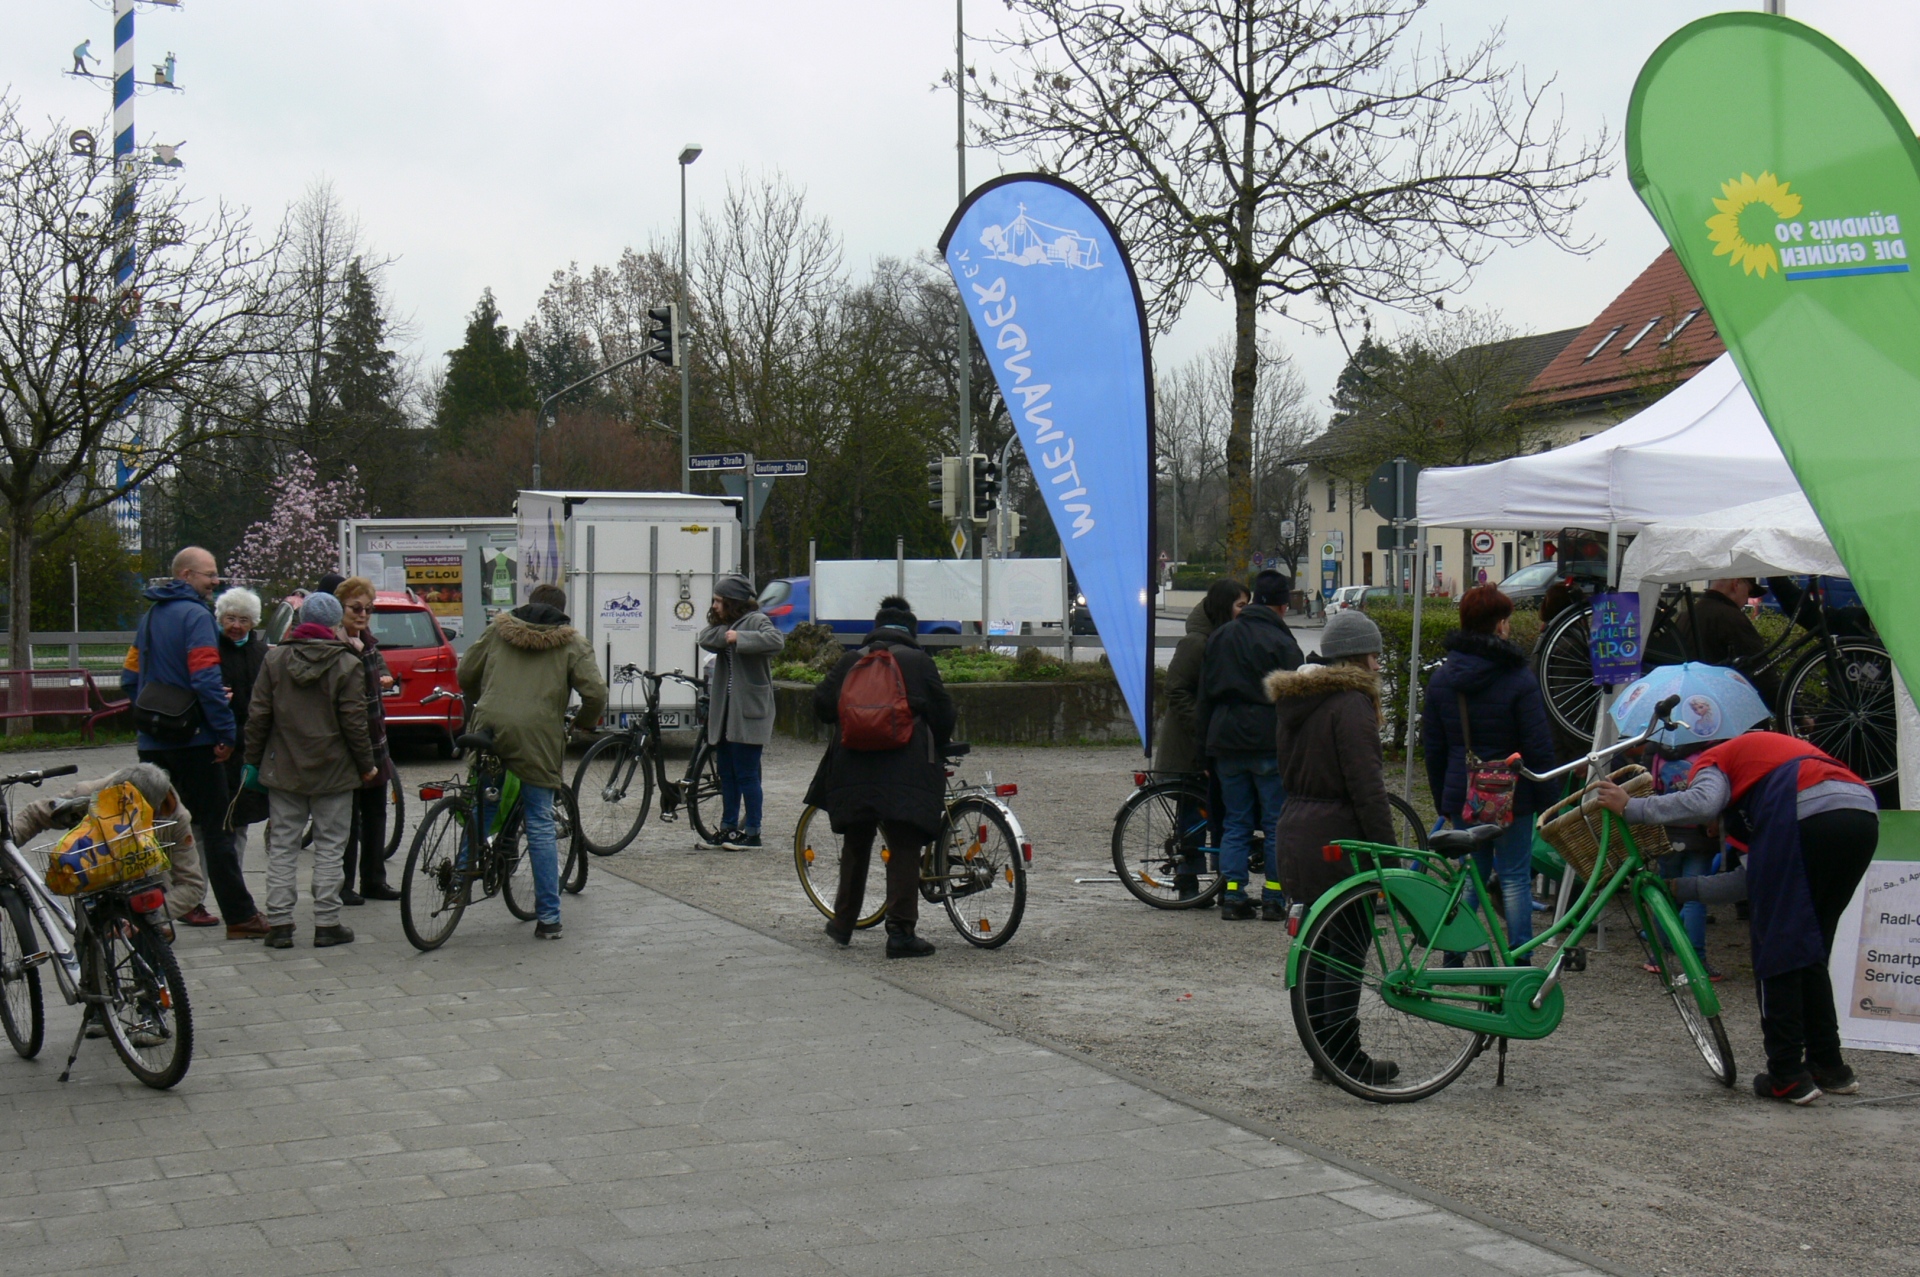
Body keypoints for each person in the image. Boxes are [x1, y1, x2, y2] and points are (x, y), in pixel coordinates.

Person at [1593, 730, 1879, 1104]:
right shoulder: (1763, 780)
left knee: (1778, 949)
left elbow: (1703, 802)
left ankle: (1787, 1074)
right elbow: (1750, 881)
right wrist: (1683, 889)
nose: (1712, 831)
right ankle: (1830, 1067)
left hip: (1807, 812)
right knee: (1810, 951)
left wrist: (1631, 807)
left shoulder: (1713, 759)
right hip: (1860, 813)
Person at [1267, 609, 1400, 1084]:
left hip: (1297, 829)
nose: (1379, 666)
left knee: (1318, 950)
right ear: (1358, 658)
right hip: (1337, 837)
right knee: (1345, 949)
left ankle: (1325, 1053)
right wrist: (1390, 858)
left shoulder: (1299, 701)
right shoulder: (1351, 704)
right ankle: (1345, 1057)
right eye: (1375, 656)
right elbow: (1368, 789)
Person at [121, 546, 270, 940]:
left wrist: (150, 712)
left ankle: (155, 915)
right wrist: (224, 733)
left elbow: (129, 677)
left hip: (152, 743)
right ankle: (240, 916)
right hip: (195, 743)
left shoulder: (150, 617)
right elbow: (206, 679)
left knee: (154, 831)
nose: (215, 580)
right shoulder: (197, 617)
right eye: (210, 573)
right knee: (218, 830)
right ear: (186, 575)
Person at [808, 595, 956, 958]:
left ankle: (843, 924)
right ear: (911, 630)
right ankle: (900, 933)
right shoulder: (918, 662)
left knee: (857, 843)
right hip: (905, 767)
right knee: (904, 844)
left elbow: (823, 706)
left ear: (876, 628)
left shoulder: (850, 661)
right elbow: (944, 713)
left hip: (853, 766)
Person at [457, 583, 607, 940]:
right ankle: (549, 918)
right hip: (538, 735)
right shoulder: (572, 643)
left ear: (528, 604)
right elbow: (596, 693)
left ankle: (459, 881)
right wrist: (585, 721)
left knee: (484, 805)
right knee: (540, 820)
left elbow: (465, 674)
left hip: (491, 726)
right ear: (562, 610)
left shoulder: (499, 629)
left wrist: (486, 700)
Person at [1421, 585, 1559, 959]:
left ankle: (1452, 953)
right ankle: (1519, 959)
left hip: (1462, 791)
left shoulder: (1443, 679)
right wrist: (1550, 798)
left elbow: (1432, 747)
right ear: (1500, 625)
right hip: (1513, 794)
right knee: (1514, 876)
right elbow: (1538, 744)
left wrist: (1444, 799)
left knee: (1469, 875)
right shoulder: (1518, 678)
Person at [243, 591, 378, 950]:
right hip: (334, 770)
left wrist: (252, 760)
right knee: (332, 846)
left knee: (284, 846)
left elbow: (258, 716)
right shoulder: (346, 664)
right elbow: (355, 722)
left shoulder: (275, 661)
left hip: (284, 768)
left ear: (300, 622)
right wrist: (367, 765)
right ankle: (326, 922)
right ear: (335, 623)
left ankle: (281, 923)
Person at [1195, 569, 1303, 920]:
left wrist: (1204, 750)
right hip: (1269, 741)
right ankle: (1273, 897)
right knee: (1275, 822)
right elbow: (1295, 702)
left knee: (1235, 822)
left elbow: (1204, 697)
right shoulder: (1284, 644)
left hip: (1225, 740)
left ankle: (1233, 895)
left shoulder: (1222, 636)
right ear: (1283, 606)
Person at [12, 763, 207, 925]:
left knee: (150, 927)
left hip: (146, 881)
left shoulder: (176, 819)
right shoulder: (90, 795)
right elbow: (35, 814)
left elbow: (192, 885)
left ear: (152, 810)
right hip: (95, 866)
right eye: (116, 805)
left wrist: (153, 914)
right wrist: (8, 844)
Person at [1153, 578, 1246, 902]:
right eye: (1240, 606)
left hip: (1211, 742)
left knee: (1216, 811)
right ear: (1224, 608)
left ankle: (1219, 883)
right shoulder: (1197, 643)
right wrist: (1204, 729)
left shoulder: (1223, 638)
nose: (1244, 613)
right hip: (1189, 746)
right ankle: (1189, 883)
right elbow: (1175, 689)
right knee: (1194, 813)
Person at [696, 574, 786, 850]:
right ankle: (728, 827)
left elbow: (776, 641)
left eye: (719, 601)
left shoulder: (756, 620)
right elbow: (705, 638)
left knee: (747, 774)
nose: (714, 606)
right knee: (728, 774)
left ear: (733, 602)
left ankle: (753, 831)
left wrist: (741, 638)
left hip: (748, 711)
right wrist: (728, 633)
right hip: (725, 712)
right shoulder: (724, 625)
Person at [332, 577, 399, 903]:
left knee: (376, 814)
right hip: (347, 743)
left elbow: (380, 670)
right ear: (340, 608)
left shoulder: (369, 643)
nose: (362, 615)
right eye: (355, 608)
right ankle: (344, 885)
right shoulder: (334, 644)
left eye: (368, 610)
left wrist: (384, 676)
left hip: (375, 739)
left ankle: (374, 880)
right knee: (348, 818)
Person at [214, 586, 268, 898]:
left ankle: (235, 887)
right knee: (212, 820)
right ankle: (206, 889)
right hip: (218, 748)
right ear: (220, 619)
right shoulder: (210, 650)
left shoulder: (261, 653)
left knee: (242, 819)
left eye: (244, 620)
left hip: (249, 748)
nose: (236, 626)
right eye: (231, 618)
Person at [1688, 578, 1781, 706]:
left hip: (1692, 702)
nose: (1747, 600)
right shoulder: (1731, 618)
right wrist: (1796, 715)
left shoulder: (1688, 614)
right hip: (1728, 706)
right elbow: (1761, 672)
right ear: (1736, 584)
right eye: (1748, 592)